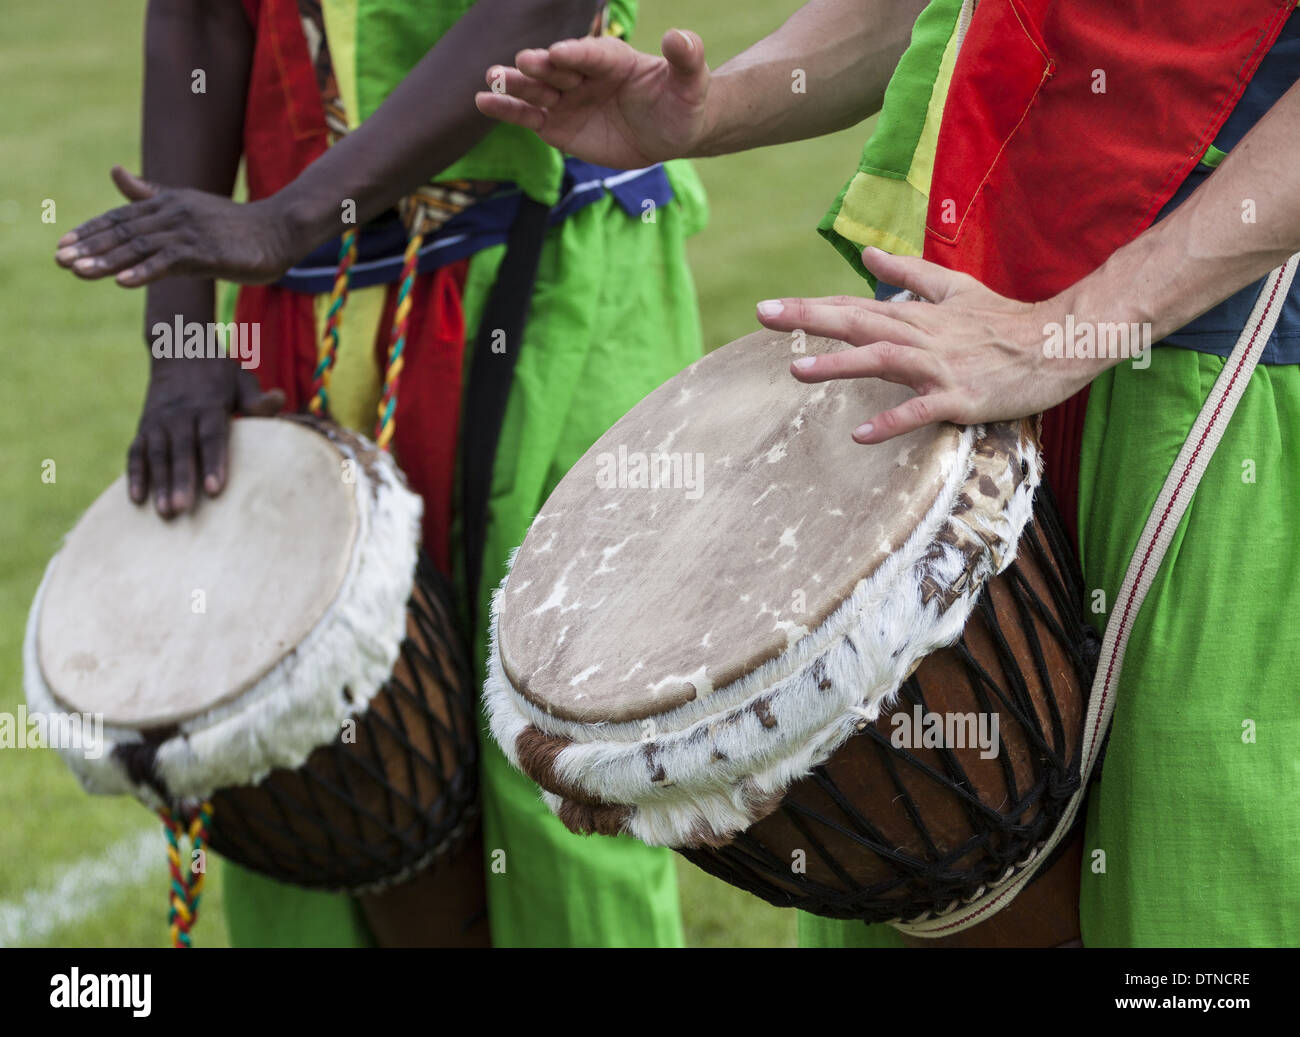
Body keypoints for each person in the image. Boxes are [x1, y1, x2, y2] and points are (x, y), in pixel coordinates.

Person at [475, 0, 1300, 947]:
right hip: (951, 328)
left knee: (1192, 909)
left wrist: (1063, 333)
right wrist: (716, 107)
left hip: (1202, 354)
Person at [55, 0, 706, 948]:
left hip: (540, 267)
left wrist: (286, 220)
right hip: (297, 298)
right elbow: (198, 17)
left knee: (561, 766)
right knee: (294, 766)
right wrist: (184, 342)